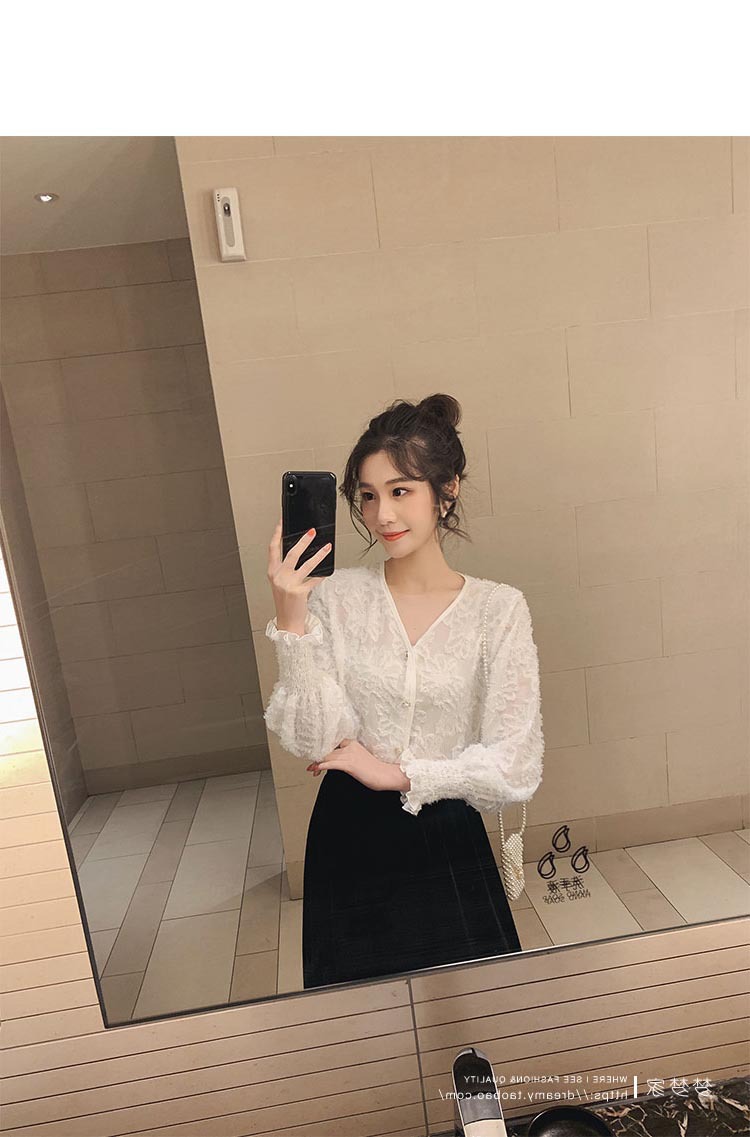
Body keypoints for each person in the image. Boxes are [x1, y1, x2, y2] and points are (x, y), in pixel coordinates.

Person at [264, 393, 544, 989]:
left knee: (469, 1015)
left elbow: (514, 763)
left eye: (400, 491)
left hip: (446, 833)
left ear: (448, 490)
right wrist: (291, 616)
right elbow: (312, 738)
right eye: (367, 495)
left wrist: (399, 774)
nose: (382, 514)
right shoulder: (335, 598)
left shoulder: (497, 611)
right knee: (364, 1020)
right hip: (348, 833)